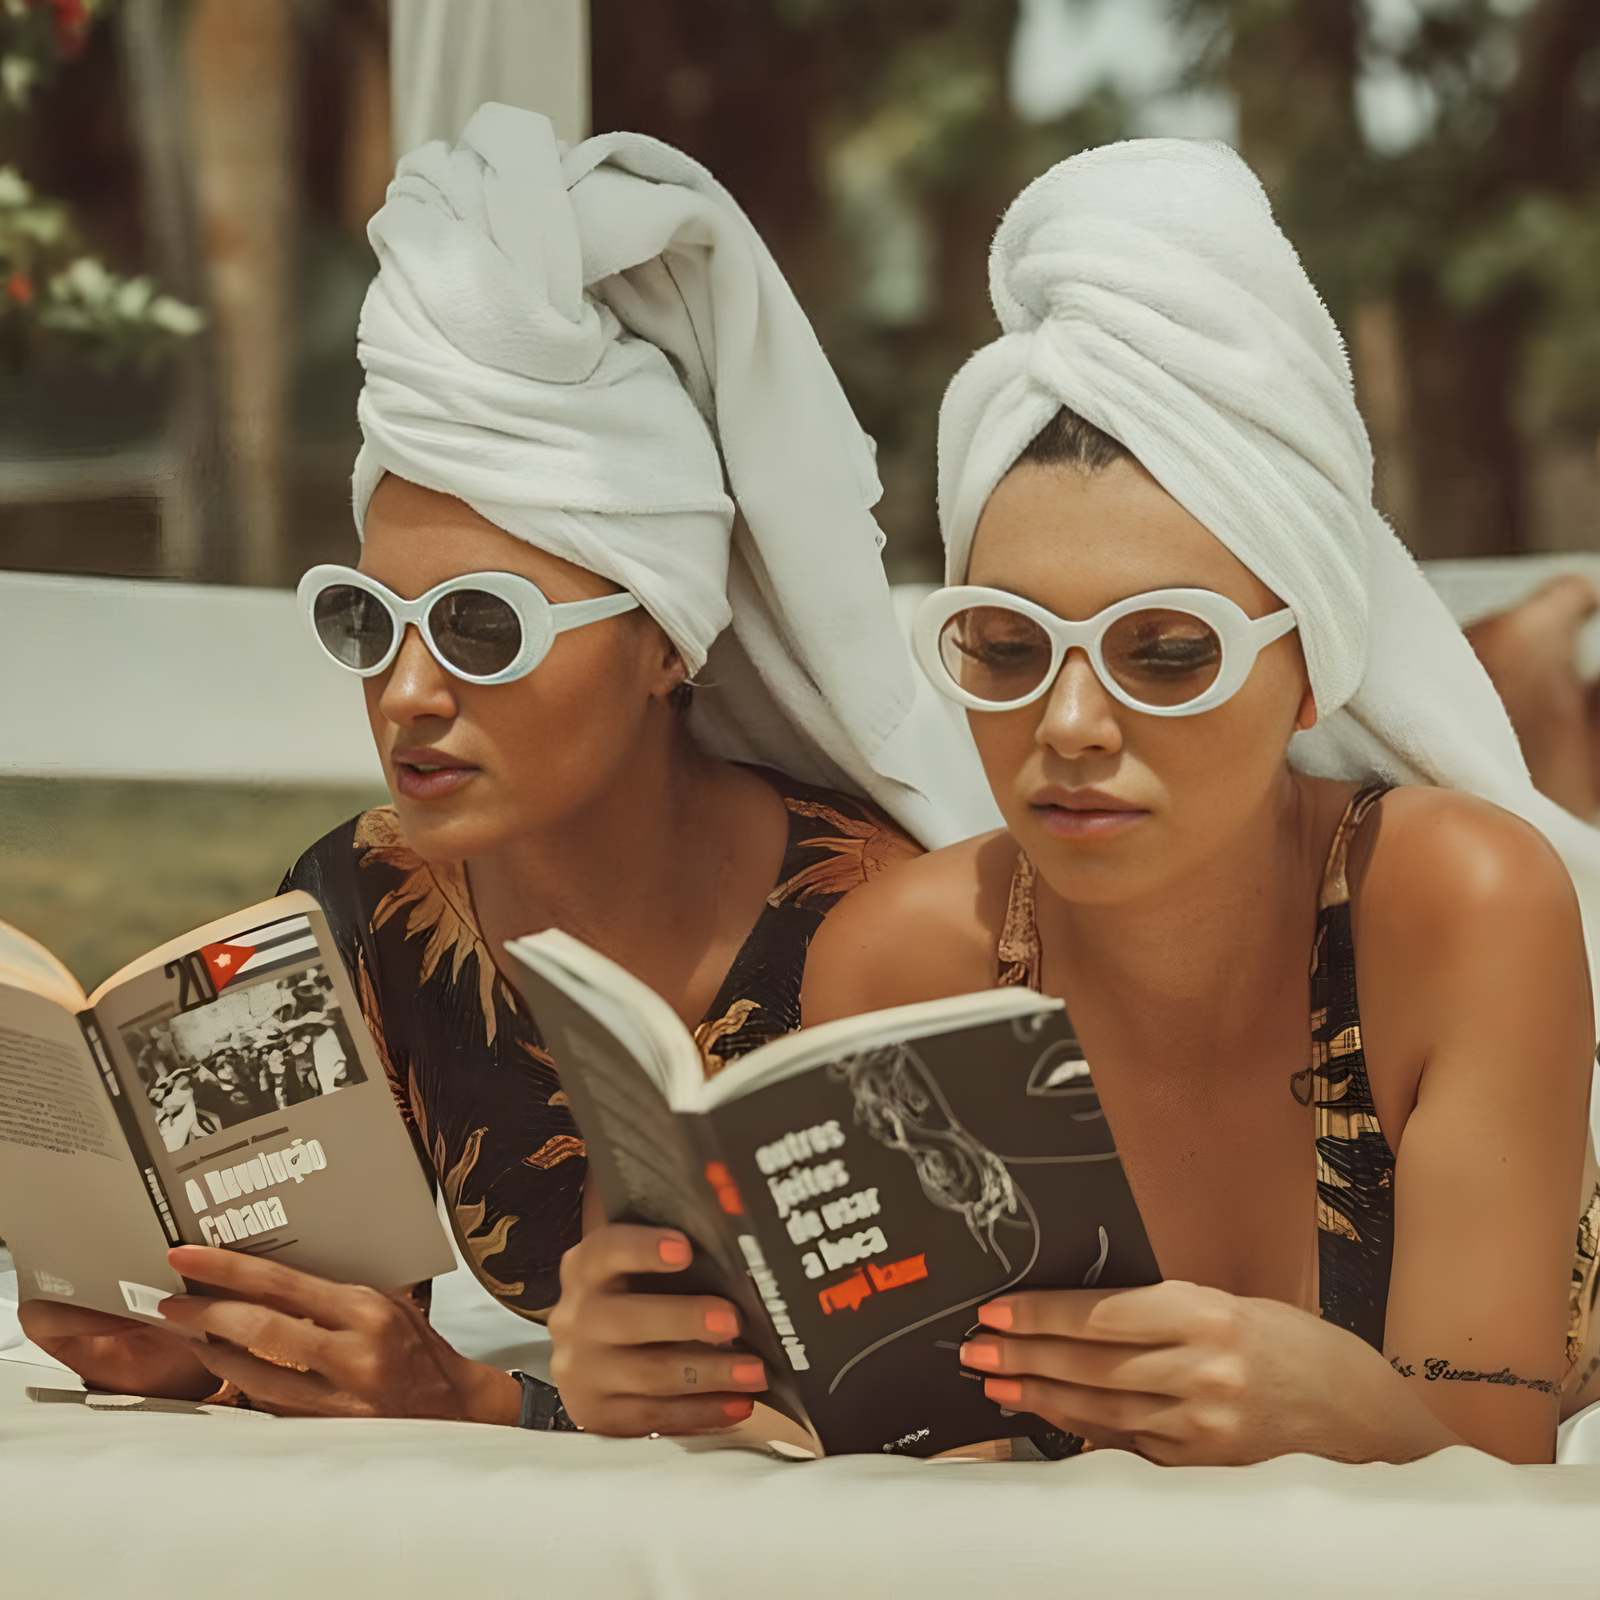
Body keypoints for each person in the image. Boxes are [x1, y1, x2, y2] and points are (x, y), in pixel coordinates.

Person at [550, 139, 1600, 1465]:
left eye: (1169, 650)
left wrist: (1343, 1420)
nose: (1074, 726)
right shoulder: (905, 965)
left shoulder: (1457, 912)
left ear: (1313, 670)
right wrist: (664, 1383)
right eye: (1005, 646)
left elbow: (1492, 1465)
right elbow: (926, 1456)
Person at [18, 105, 992, 1422]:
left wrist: (486, 1408)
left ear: (665, 646)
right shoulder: (367, 912)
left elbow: (944, 1425)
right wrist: (203, 1339)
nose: (409, 692)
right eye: (367, 622)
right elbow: (354, 1333)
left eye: (484, 626)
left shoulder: (880, 936)